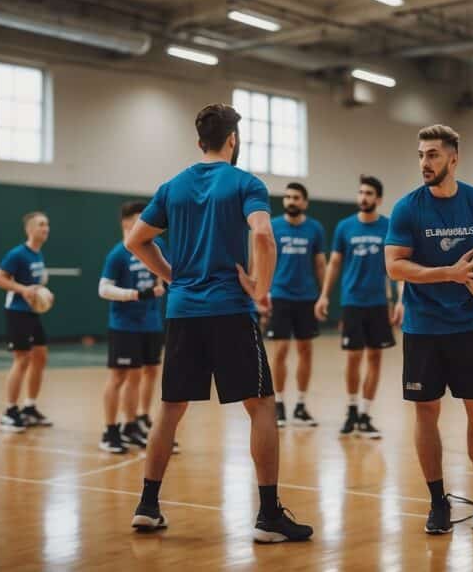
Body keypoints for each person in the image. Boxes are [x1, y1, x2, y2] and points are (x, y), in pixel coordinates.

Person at [124, 103, 312, 543]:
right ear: (233, 140)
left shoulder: (173, 186)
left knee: (170, 410)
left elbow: (137, 240)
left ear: (199, 142)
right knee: (261, 406)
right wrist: (261, 288)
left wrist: (172, 276)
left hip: (184, 312)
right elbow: (263, 234)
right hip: (231, 310)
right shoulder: (246, 183)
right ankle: (268, 516)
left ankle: (147, 506)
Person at [385, 124, 473, 534]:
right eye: (420, 155)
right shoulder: (407, 208)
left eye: (432, 154)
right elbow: (394, 265)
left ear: (453, 158)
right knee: (426, 413)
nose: (424, 163)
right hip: (422, 329)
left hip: (467, 327)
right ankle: (438, 503)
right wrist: (447, 272)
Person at [315, 175, 402, 438]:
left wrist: (400, 300)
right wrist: (324, 296)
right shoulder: (344, 227)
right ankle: (352, 410)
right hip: (352, 301)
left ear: (379, 199)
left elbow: (397, 267)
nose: (364, 197)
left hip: (378, 303)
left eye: (369, 193)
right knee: (354, 358)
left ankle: (366, 414)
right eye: (361, 192)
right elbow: (334, 264)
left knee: (375, 358)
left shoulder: (388, 227)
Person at [98, 201, 167, 454]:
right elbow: (103, 289)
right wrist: (135, 294)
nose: (143, 224)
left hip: (151, 323)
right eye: (138, 220)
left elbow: (166, 275)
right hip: (124, 324)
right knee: (120, 376)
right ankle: (110, 430)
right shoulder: (118, 253)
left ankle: (136, 422)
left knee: (146, 373)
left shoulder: (156, 247)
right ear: (126, 223)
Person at [266, 183, 325, 427]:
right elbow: (263, 259)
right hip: (279, 295)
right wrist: (262, 291)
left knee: (305, 351)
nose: (291, 201)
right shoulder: (274, 226)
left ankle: (300, 405)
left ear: (305, 202)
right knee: (280, 351)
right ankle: (278, 404)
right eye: (288, 197)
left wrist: (323, 296)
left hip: (306, 298)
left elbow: (321, 263)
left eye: (296, 198)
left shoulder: (315, 229)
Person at [0, 212, 52, 432]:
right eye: (41, 224)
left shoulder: (38, 254)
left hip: (32, 312)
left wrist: (43, 292)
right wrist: (24, 290)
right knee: (22, 359)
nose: (45, 228)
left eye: (47, 225)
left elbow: (36, 284)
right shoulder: (17, 254)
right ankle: (9, 411)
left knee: (40, 356)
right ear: (29, 229)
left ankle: (30, 407)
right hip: (17, 311)